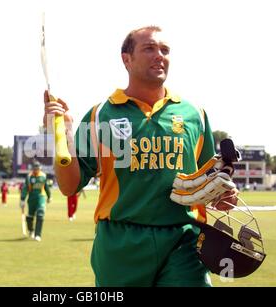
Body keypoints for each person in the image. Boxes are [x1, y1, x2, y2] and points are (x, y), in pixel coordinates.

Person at [43, 25, 238, 286]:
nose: (160, 55)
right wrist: (62, 135)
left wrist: (224, 194)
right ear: (126, 59)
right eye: (149, 48)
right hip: (121, 244)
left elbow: (209, 179)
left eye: (165, 50)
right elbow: (69, 186)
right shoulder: (100, 115)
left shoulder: (195, 114)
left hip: (184, 240)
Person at [20, 161, 51, 242]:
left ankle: (38, 235)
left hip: (41, 197)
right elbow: (25, 188)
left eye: (38, 168)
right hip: (31, 198)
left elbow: (46, 187)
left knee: (40, 214)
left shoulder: (43, 176)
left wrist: (49, 196)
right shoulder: (29, 177)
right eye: (35, 168)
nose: (36, 170)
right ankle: (31, 230)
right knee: (29, 217)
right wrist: (22, 199)